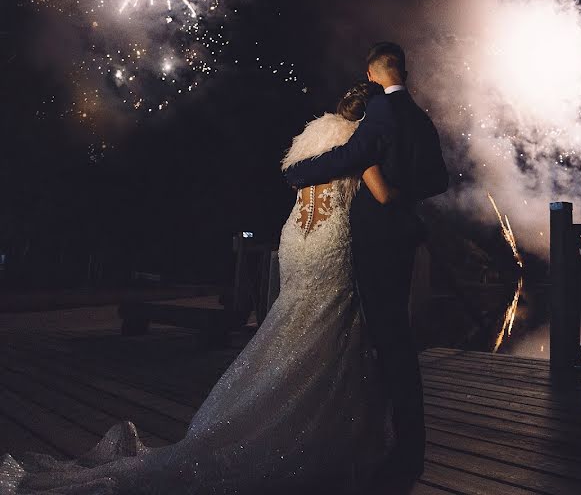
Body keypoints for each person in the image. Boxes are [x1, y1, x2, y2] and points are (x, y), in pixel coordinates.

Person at [0, 82, 399, 494]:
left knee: (294, 321)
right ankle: (317, 431)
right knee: (332, 326)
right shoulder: (361, 143)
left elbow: (298, 182)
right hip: (331, 240)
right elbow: (382, 197)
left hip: (297, 238)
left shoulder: (313, 141)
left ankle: (260, 409)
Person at [283, 42, 449, 486]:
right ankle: (409, 442)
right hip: (405, 236)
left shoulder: (379, 110)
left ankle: (400, 449)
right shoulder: (421, 118)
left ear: (372, 74)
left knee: (388, 339)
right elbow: (439, 179)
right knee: (398, 335)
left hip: (377, 237)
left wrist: (301, 172)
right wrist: (402, 190)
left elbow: (353, 156)